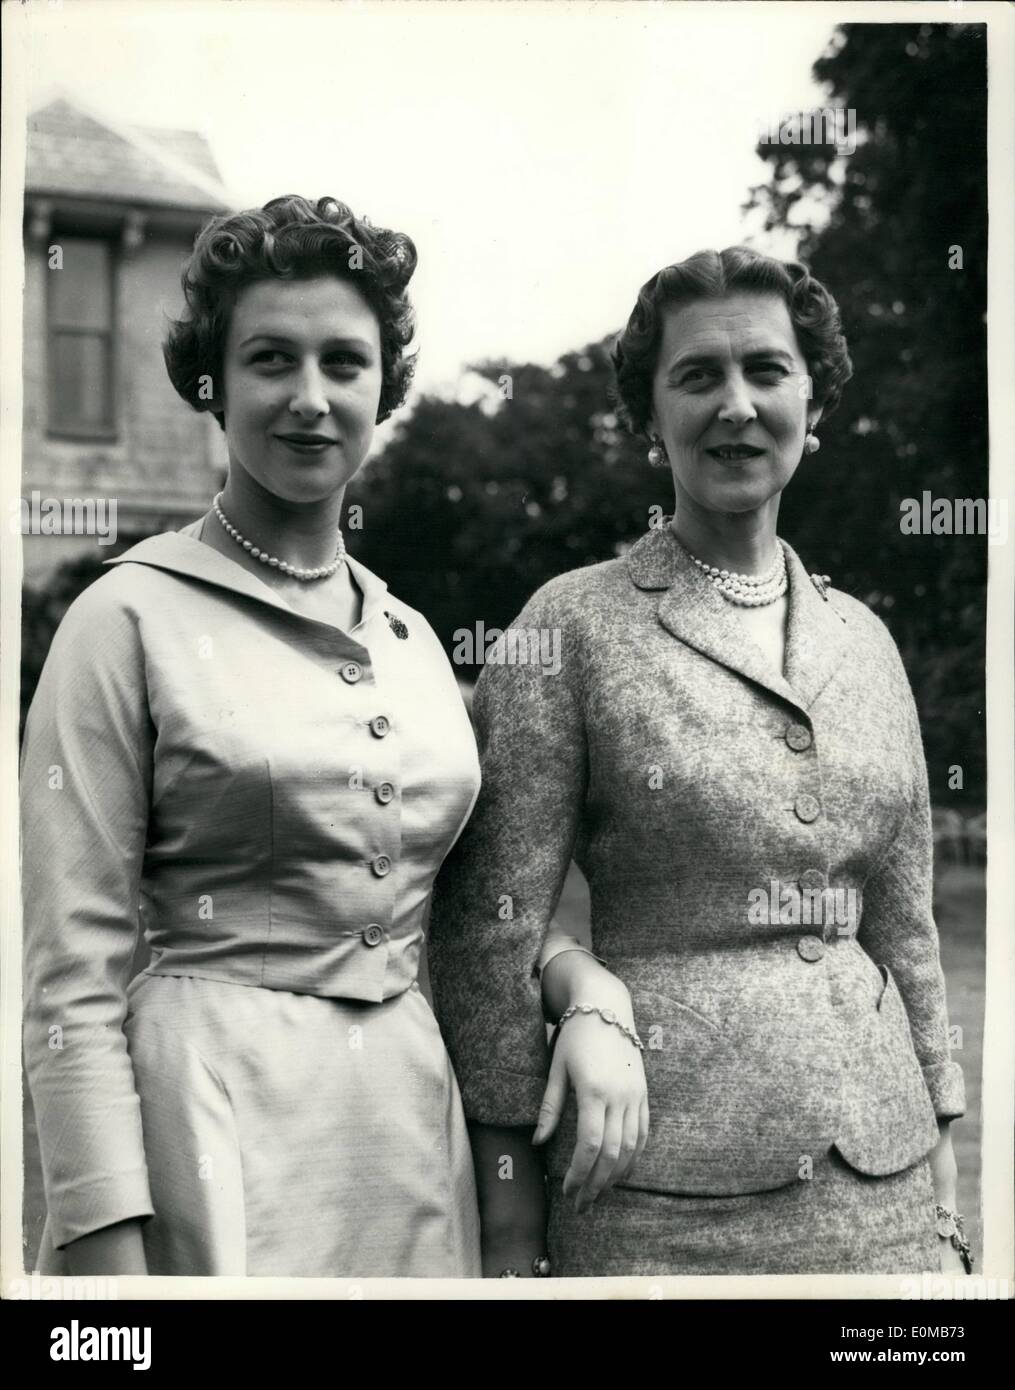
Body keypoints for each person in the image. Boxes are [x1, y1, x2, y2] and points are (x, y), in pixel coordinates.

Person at [428, 246, 971, 1278]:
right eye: (697, 376)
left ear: (813, 402)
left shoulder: (866, 640)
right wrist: (507, 1211)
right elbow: (485, 928)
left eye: (766, 371)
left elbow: (906, 925)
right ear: (648, 417)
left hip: (885, 1191)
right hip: (651, 1196)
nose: (735, 404)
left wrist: (940, 1131)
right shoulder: (570, 627)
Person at [21, 195, 482, 1277]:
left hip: (406, 1131)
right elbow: (67, 972)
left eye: (345, 363)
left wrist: (579, 980)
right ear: (212, 382)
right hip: (210, 1124)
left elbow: (466, 902)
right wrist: (99, 1228)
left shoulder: (413, 639)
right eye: (271, 358)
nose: (310, 398)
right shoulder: (124, 616)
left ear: (385, 388)